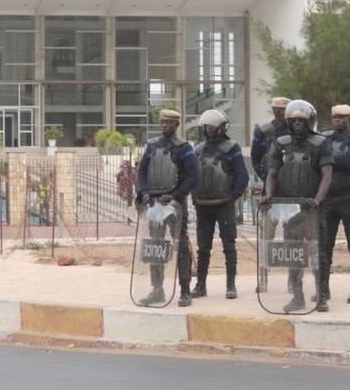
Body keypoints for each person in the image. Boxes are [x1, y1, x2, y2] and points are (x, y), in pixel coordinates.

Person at [262, 99, 332, 312]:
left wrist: (317, 200)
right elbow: (272, 174)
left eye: (301, 120)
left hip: (312, 207)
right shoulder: (282, 144)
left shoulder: (321, 144)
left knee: (317, 253)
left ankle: (321, 295)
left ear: (309, 121)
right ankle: (297, 296)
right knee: (294, 254)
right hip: (289, 207)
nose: (297, 124)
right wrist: (268, 195)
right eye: (293, 121)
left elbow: (327, 175)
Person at [135, 108, 198, 307]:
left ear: (177, 125)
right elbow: (142, 172)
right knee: (155, 247)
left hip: (175, 206)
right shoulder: (152, 146)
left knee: (180, 248)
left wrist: (174, 195)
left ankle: (185, 290)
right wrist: (144, 192)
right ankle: (157, 289)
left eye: (169, 123)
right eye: (162, 123)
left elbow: (193, 177)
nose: (164, 126)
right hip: (154, 207)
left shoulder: (184, 148)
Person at [190, 109, 249, 301]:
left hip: (224, 205)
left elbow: (242, 176)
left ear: (222, 127)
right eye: (207, 126)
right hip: (203, 206)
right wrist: (194, 196)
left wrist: (233, 197)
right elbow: (191, 175)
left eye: (213, 126)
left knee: (229, 245)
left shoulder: (232, 149)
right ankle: (200, 285)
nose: (210, 129)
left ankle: (231, 284)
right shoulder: (197, 150)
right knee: (203, 247)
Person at [318, 104, 350, 311]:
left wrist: (326, 161)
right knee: (325, 246)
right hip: (328, 198)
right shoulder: (325, 139)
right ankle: (323, 288)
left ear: (349, 118)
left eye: (341, 117)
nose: (337, 120)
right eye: (334, 117)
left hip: (348, 198)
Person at [250, 97, 291, 183]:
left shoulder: (294, 131)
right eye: (277, 110)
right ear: (274, 111)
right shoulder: (262, 132)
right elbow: (255, 159)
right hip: (270, 181)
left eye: (284, 110)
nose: (281, 113)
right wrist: (266, 179)